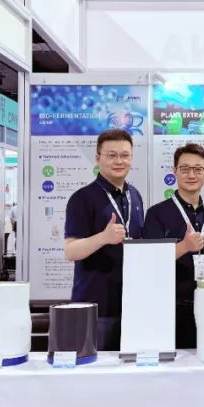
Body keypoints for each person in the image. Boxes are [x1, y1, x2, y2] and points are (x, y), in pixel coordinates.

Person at [63, 128, 145, 350]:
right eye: (111, 155)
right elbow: (70, 251)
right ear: (98, 158)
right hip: (95, 306)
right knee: (94, 368)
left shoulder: (135, 195)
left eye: (125, 155)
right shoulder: (82, 198)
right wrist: (103, 237)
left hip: (131, 304)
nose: (119, 161)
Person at [141, 143, 204, 348]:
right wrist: (184, 247)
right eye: (185, 169)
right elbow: (148, 261)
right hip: (170, 307)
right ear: (175, 171)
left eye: (198, 169)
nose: (191, 175)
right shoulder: (157, 214)